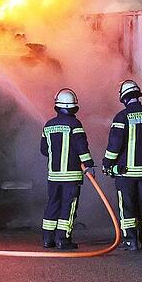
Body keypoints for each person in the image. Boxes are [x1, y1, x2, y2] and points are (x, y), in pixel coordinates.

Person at [103, 80, 142, 251]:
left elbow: (114, 145)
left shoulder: (122, 117)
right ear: (138, 95)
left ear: (123, 98)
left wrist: (107, 163)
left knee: (128, 205)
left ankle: (131, 241)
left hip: (126, 173)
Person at [40, 88, 94, 250]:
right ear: (74, 107)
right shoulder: (75, 124)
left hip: (54, 176)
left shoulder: (48, 125)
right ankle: (63, 239)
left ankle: (47, 239)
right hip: (71, 176)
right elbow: (81, 148)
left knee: (53, 204)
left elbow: (44, 151)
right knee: (68, 207)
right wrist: (89, 165)